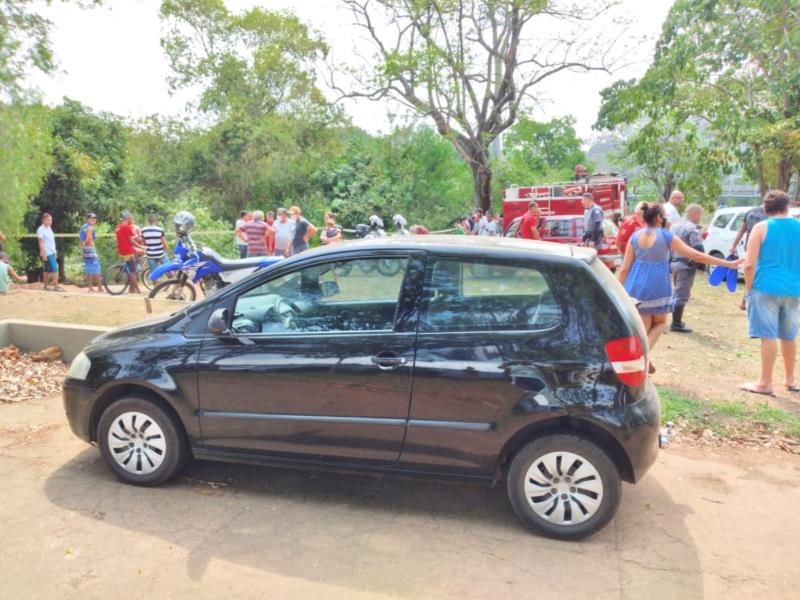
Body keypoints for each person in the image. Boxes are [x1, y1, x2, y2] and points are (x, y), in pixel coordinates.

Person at [618, 202, 740, 372]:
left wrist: (618, 290)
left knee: (642, 329)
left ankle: (637, 361)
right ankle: (641, 359)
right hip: (658, 285)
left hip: (635, 285)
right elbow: (696, 255)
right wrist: (727, 263)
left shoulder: (635, 236)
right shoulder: (666, 236)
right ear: (659, 218)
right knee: (659, 324)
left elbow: (624, 268)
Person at [739, 190, 800, 397]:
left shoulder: (761, 227)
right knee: (789, 336)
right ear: (787, 206)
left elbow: (749, 264)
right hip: (794, 289)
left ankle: (765, 382)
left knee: (768, 336)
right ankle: (790, 379)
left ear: (765, 208)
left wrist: (749, 290)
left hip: (765, 287)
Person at [669, 204, 705, 333]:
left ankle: (675, 320)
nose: (700, 218)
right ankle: (676, 323)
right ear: (695, 214)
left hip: (673, 262)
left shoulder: (674, 226)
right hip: (686, 265)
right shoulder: (692, 229)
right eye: (700, 215)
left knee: (676, 292)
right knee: (682, 294)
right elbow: (698, 248)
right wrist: (702, 265)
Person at [730, 202, 767, 310]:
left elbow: (742, 230)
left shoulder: (750, 212)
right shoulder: (769, 214)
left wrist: (734, 245)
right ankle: (748, 301)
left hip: (750, 247)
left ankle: (745, 301)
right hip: (763, 248)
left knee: (752, 273)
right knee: (758, 274)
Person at [115, 211, 145, 294]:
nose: (132, 220)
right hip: (128, 251)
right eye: (131, 218)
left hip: (122, 251)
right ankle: (138, 290)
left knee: (132, 268)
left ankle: (131, 289)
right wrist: (141, 247)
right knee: (133, 272)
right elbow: (131, 241)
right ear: (128, 218)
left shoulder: (118, 227)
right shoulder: (126, 226)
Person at [36, 213, 62, 292]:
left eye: (51, 220)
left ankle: (45, 286)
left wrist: (55, 252)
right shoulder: (41, 229)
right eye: (48, 220)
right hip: (47, 252)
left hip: (52, 251)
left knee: (47, 270)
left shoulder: (49, 228)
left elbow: (51, 241)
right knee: (55, 268)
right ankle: (56, 287)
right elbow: (41, 242)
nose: (50, 221)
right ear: (43, 220)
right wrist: (43, 253)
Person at [79, 212, 102, 293]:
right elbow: (88, 239)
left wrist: (82, 247)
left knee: (89, 269)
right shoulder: (90, 227)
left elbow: (81, 240)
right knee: (96, 268)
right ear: (87, 219)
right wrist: (87, 244)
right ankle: (100, 288)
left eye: (94, 219)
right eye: (91, 219)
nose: (93, 220)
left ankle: (90, 287)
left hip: (85, 249)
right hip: (90, 249)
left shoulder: (83, 227)